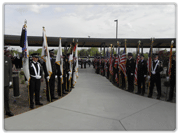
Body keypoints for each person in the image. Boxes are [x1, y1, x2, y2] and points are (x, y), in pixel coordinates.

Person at [4, 47, 14, 116]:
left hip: (5, 82)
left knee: (6, 98)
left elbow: (10, 71)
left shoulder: (7, 59)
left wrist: (10, 80)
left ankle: (7, 111)